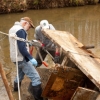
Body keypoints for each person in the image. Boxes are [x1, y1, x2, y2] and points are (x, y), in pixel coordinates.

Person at [9, 17, 43, 100]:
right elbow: (21, 48)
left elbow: (17, 44)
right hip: (21, 59)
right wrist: (31, 58)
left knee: (19, 75)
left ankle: (16, 93)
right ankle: (38, 99)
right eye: (29, 27)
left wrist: (28, 44)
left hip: (15, 58)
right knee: (36, 78)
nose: (29, 29)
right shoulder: (21, 30)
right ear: (25, 23)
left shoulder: (12, 28)